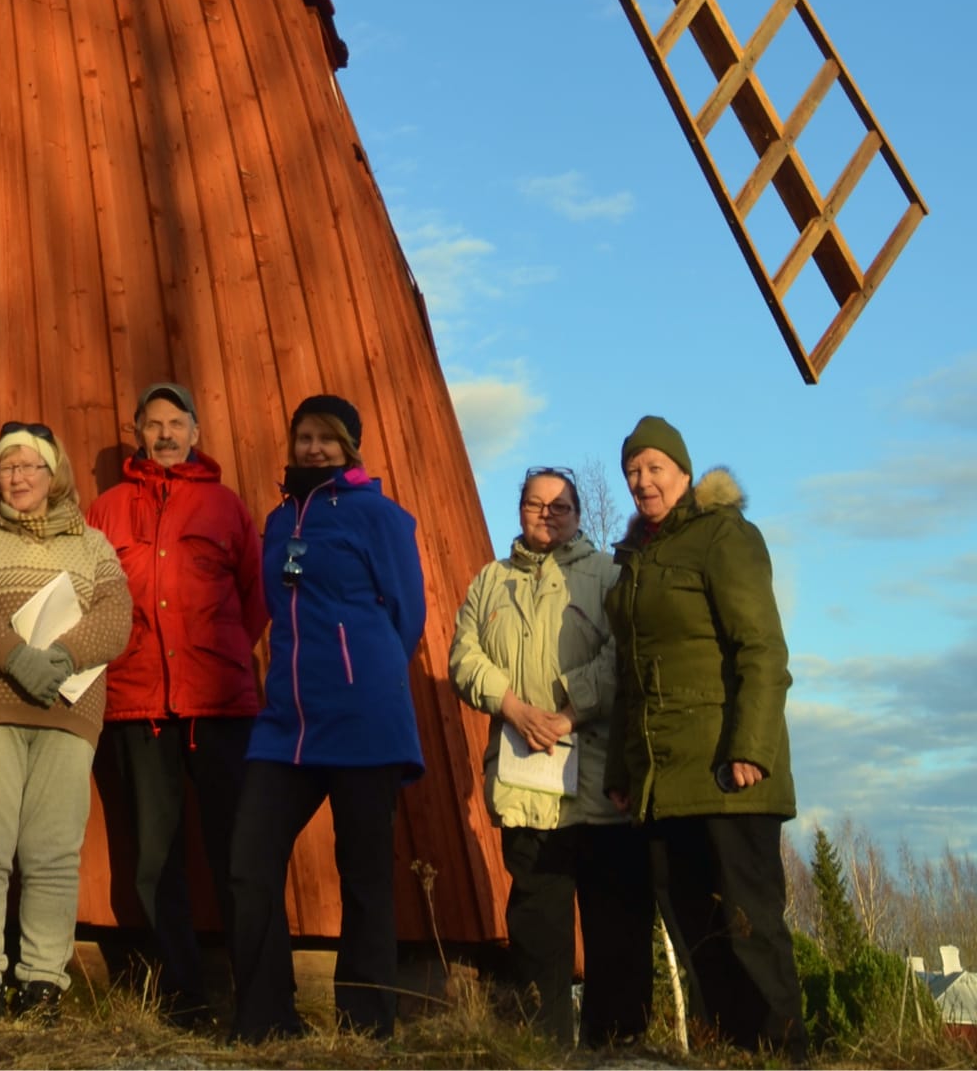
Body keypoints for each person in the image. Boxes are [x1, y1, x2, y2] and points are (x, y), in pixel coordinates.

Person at [227, 393, 425, 1044]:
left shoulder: (378, 513)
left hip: (363, 717)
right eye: (303, 436)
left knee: (364, 873)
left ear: (349, 445)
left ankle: (365, 1027)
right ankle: (266, 1020)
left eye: (326, 437)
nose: (313, 447)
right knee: (250, 863)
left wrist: (360, 673)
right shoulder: (279, 521)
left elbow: (407, 615)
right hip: (288, 721)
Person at [605, 415, 804, 1055]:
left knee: (749, 924)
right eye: (633, 471)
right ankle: (732, 1052)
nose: (642, 481)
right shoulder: (636, 559)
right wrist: (619, 771)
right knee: (695, 927)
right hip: (664, 782)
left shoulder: (724, 537)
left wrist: (751, 748)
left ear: (684, 473)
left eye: (654, 468)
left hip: (726, 771)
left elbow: (763, 649)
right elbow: (629, 679)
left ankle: (782, 1054)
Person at [450, 463, 654, 1046]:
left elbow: (624, 655)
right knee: (537, 929)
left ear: (579, 514)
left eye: (559, 506)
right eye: (535, 505)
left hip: (598, 783)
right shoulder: (490, 581)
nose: (547, 514)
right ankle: (544, 1048)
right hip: (525, 784)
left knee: (614, 927)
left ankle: (616, 1050)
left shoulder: (609, 576)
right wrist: (512, 706)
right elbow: (464, 657)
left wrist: (567, 711)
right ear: (519, 511)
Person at [87, 380, 267, 1026]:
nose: (164, 433)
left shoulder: (226, 507)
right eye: (153, 422)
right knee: (155, 861)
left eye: (176, 422)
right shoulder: (105, 510)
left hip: (219, 708)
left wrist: (216, 658)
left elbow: (256, 595)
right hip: (138, 707)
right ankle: (184, 999)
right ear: (139, 431)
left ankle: (258, 1001)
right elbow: (88, 596)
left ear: (195, 431)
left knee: (237, 853)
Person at [0, 420, 132, 1023]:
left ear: (55, 476)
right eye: (7, 466)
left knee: (53, 853)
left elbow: (117, 614)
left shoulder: (92, 546)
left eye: (30, 466)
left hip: (68, 712)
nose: (18, 476)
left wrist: (62, 658)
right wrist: (15, 657)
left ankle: (42, 982)